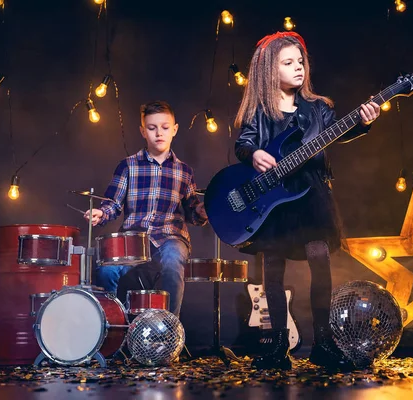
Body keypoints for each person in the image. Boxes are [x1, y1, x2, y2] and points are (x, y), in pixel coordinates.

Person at [233, 31, 381, 370]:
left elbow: (343, 130)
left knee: (320, 260)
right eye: (288, 63)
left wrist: (364, 121)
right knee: (272, 269)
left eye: (300, 61)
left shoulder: (318, 109)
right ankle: (277, 346)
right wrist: (254, 153)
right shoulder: (260, 113)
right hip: (275, 201)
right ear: (269, 71)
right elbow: (244, 144)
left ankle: (323, 343)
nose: (298, 68)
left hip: (311, 196)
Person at [84, 100, 208, 318]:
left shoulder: (184, 171)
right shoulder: (128, 165)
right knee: (105, 270)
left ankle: (168, 330)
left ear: (175, 130)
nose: (159, 133)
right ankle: (113, 332)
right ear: (143, 131)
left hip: (170, 237)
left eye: (165, 127)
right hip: (133, 239)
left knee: (172, 258)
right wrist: (101, 213)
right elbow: (113, 203)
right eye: (152, 128)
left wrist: (201, 212)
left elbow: (191, 210)